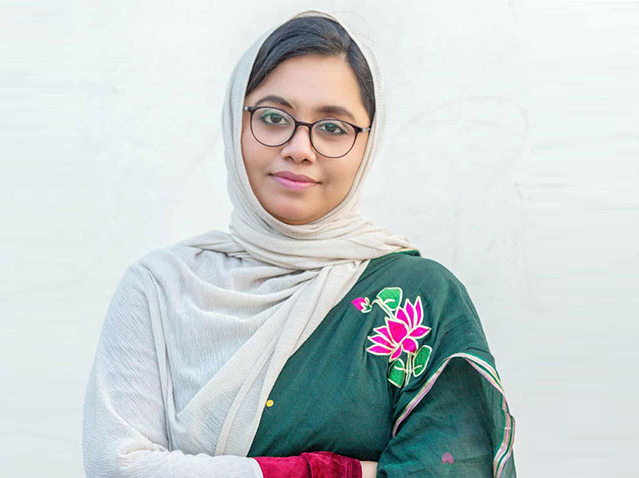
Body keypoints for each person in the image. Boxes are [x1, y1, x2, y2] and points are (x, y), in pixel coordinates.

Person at [81, 9, 517, 478]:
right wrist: (340, 472)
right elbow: (115, 467)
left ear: (367, 144)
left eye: (333, 128)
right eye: (273, 118)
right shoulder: (160, 288)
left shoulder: (420, 299)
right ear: (234, 122)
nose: (300, 149)